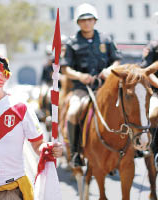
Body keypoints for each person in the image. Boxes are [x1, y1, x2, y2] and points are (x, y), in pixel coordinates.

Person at [0, 51, 63, 200]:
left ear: (6, 76)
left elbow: (37, 144)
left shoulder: (20, 108)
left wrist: (49, 150)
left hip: (11, 192)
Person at [61, 3, 122, 167]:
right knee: (73, 112)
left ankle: (129, 148)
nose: (86, 23)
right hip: (82, 89)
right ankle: (75, 154)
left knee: (124, 107)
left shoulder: (106, 39)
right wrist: (80, 76)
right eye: (83, 20)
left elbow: (116, 59)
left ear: (95, 20)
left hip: (105, 87)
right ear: (78, 23)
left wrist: (109, 70)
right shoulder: (71, 42)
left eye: (89, 19)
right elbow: (65, 68)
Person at [141, 11, 158, 170]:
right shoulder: (153, 46)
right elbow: (146, 71)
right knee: (153, 114)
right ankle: (154, 149)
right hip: (156, 92)